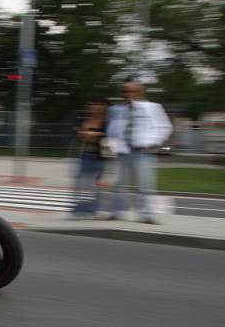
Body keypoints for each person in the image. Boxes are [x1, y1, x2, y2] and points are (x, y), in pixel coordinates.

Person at [105, 81, 173, 223]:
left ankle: (146, 215)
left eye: (132, 91)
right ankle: (116, 213)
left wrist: (154, 142)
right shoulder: (118, 109)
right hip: (123, 152)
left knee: (145, 185)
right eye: (125, 91)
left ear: (141, 92)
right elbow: (112, 129)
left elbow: (165, 127)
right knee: (119, 185)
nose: (128, 94)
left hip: (143, 152)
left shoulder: (153, 107)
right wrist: (113, 146)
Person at [72, 98, 108, 218]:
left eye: (97, 104)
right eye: (92, 104)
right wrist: (92, 135)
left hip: (99, 156)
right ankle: (78, 209)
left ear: (103, 106)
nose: (94, 107)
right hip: (84, 154)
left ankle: (93, 210)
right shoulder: (85, 119)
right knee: (80, 182)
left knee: (95, 184)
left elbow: (106, 135)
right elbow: (80, 134)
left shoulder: (105, 121)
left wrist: (89, 134)